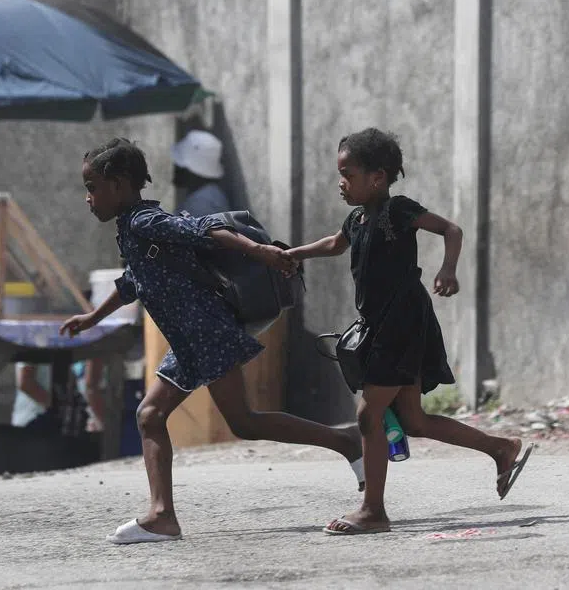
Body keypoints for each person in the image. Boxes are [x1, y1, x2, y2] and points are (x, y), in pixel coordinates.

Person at [61, 137, 364, 545]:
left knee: (243, 423)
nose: (88, 198)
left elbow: (207, 228)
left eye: (92, 187)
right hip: (190, 340)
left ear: (118, 185)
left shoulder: (143, 223)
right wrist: (92, 317)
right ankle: (162, 515)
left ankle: (346, 441)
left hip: (207, 336)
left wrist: (260, 251)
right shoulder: (135, 228)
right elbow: (134, 281)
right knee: (153, 416)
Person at [287, 128, 534, 535]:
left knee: (369, 414)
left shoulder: (396, 210)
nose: (341, 183)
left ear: (378, 177)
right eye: (340, 174)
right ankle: (500, 448)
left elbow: (451, 230)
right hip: (380, 325)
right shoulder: (357, 218)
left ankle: (372, 510)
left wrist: (448, 268)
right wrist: (292, 255)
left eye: (348, 174)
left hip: (402, 323)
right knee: (413, 422)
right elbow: (335, 244)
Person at [171, 129, 231, 216]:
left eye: (179, 164)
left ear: (191, 170)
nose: (175, 167)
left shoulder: (202, 205)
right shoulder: (206, 197)